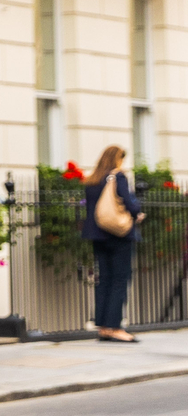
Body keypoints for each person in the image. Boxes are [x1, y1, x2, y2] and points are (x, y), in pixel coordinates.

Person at [81, 143, 143, 343]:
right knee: (119, 280)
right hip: (118, 236)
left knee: (104, 280)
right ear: (118, 159)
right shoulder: (118, 176)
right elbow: (129, 203)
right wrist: (137, 213)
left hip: (98, 237)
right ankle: (115, 326)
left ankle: (104, 326)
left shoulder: (92, 180)